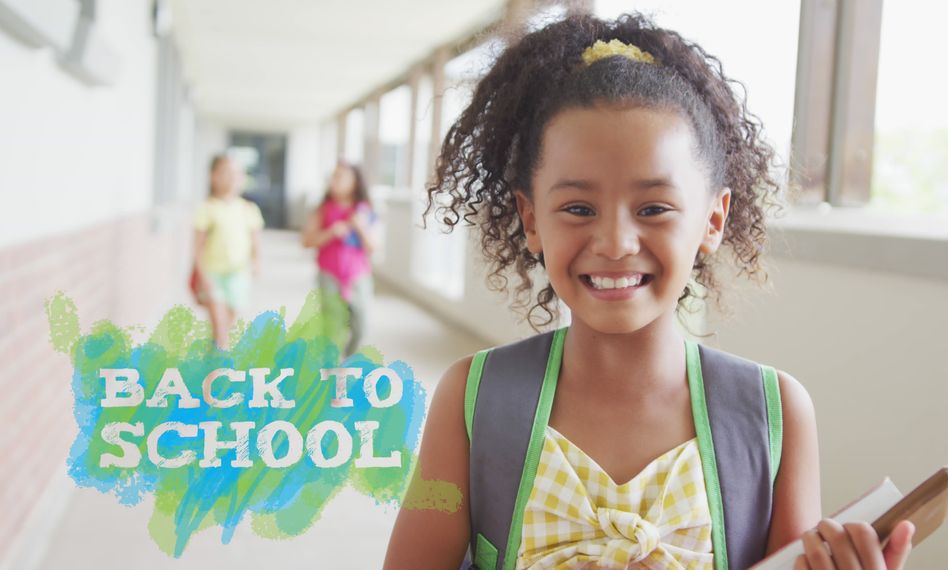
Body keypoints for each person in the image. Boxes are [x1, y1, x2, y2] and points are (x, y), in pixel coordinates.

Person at [384, 13, 914, 570]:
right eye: (578, 208)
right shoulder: (471, 398)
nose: (615, 243)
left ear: (713, 220)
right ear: (531, 218)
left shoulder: (774, 412)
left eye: (654, 208)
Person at [301, 160, 378, 357]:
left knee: (361, 326)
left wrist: (360, 227)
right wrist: (331, 233)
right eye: (333, 176)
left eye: (340, 176)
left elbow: (372, 248)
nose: (334, 180)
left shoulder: (365, 210)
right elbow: (307, 241)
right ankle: (332, 365)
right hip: (329, 274)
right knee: (333, 324)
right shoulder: (323, 209)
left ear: (355, 182)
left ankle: (348, 360)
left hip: (358, 275)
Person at [193, 154, 264, 350]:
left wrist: (256, 263)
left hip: (238, 276)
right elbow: (197, 248)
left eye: (237, 173)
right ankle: (217, 365)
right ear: (213, 177)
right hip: (213, 275)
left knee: (225, 329)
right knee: (220, 330)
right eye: (226, 172)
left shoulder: (249, 209)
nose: (232, 177)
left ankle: (213, 358)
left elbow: (255, 243)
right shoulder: (207, 209)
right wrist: (203, 277)